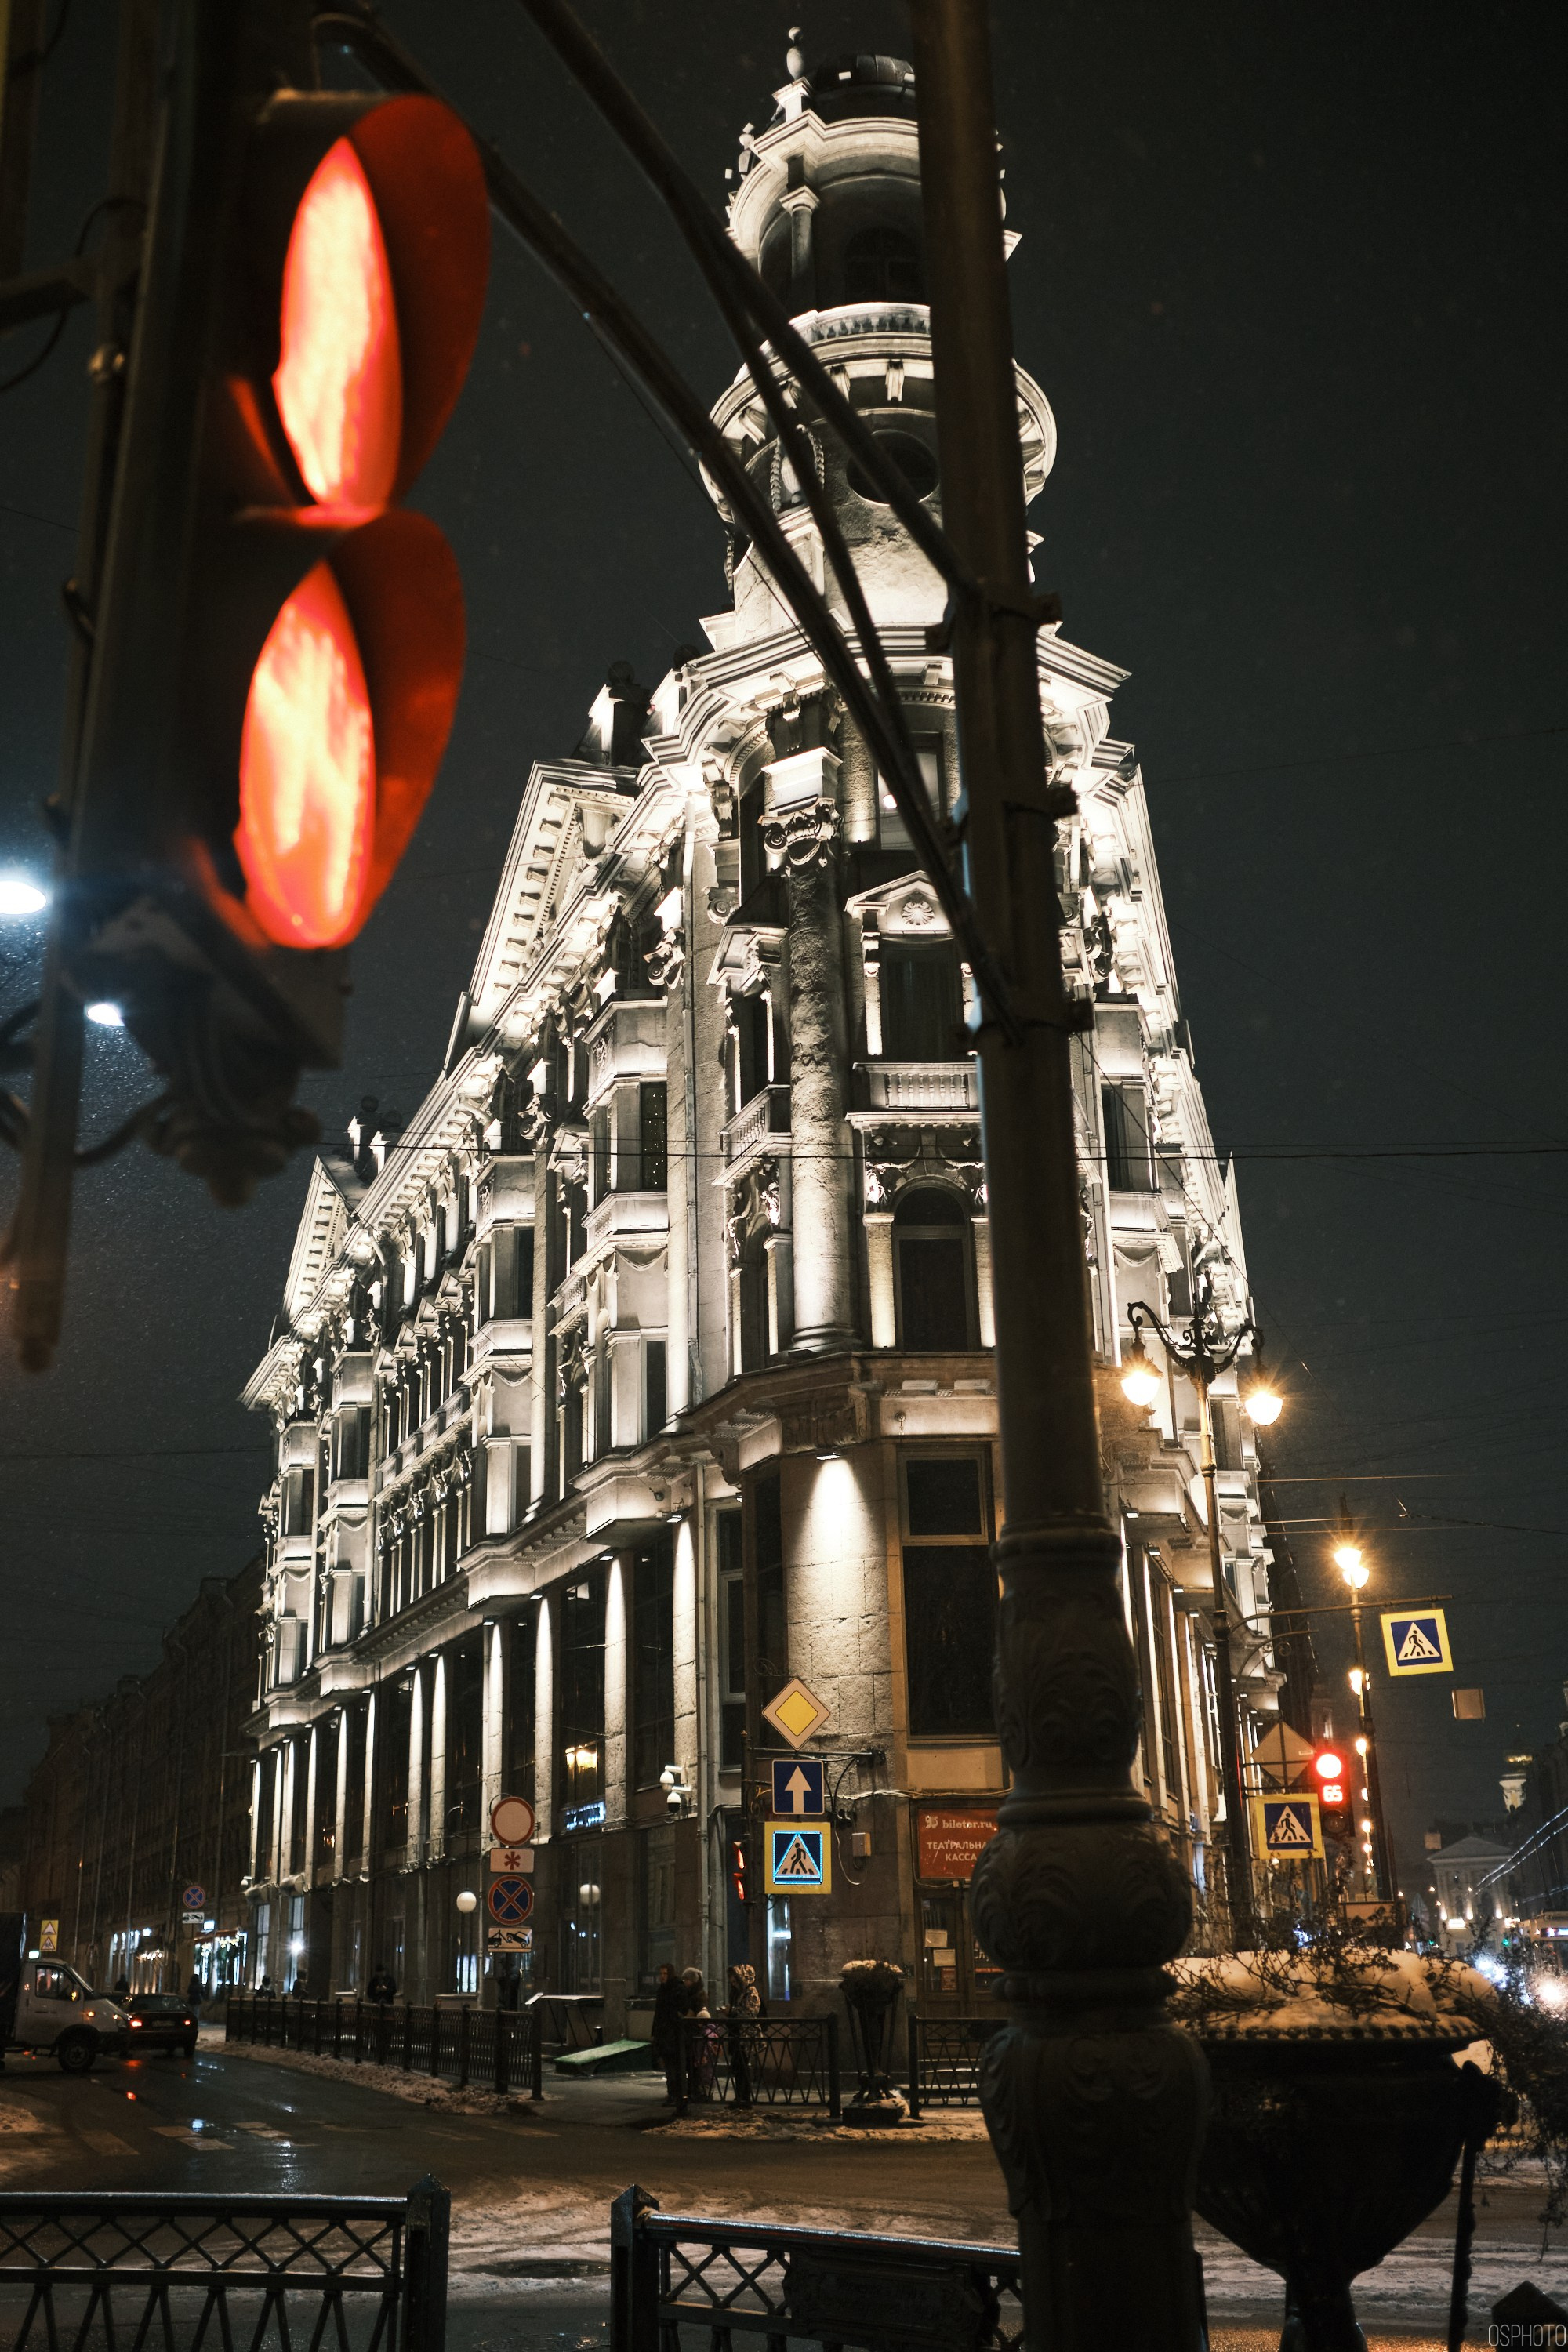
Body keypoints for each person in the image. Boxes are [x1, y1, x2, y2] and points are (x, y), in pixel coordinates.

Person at [650, 1962, 684, 2104]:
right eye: (661, 1974)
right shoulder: (663, 1990)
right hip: (664, 2032)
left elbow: (679, 2009)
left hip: (673, 2032)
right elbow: (658, 2013)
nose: (662, 1977)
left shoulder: (676, 1988)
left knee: (674, 2066)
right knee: (669, 2066)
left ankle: (676, 2094)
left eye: (665, 1974)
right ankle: (672, 2093)